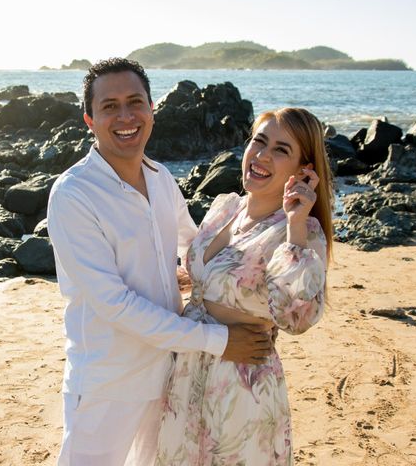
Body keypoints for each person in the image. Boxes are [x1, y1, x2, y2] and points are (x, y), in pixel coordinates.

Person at [47, 58, 274, 466]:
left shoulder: (161, 178)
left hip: (170, 374)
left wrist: (276, 233)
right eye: (110, 106)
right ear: (89, 119)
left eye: (135, 102)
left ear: (152, 110)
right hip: (107, 382)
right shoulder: (74, 194)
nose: (125, 116)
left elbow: (197, 245)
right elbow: (113, 302)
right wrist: (220, 341)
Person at [155, 107, 334, 465]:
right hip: (187, 368)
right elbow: (212, 277)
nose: (262, 155)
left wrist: (296, 222)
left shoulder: (300, 232)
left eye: (282, 150)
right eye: (259, 141)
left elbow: (297, 318)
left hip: (240, 380)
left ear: (305, 170)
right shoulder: (226, 208)